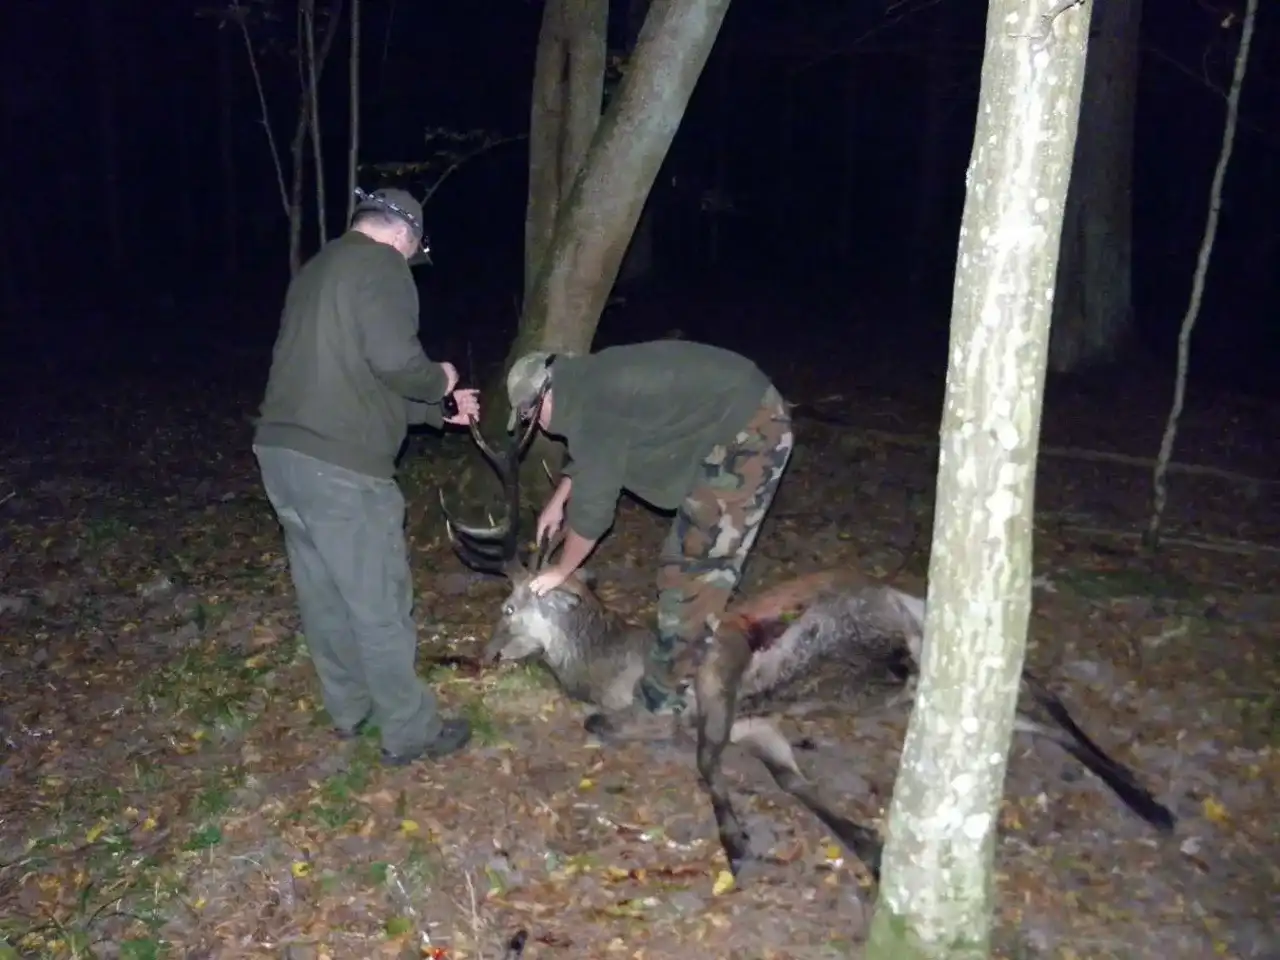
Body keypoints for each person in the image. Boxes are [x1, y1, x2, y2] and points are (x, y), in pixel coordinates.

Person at [253, 187, 479, 766]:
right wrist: (441, 380)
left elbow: (359, 381)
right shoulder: (381, 264)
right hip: (342, 469)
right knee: (379, 600)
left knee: (325, 594)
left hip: (284, 454)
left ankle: (350, 709)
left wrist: (439, 414)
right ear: (403, 237)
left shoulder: (317, 272)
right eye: (412, 252)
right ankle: (410, 732)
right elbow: (396, 362)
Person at [503, 341, 793, 711]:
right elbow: (596, 455)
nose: (535, 427)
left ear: (542, 397)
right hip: (729, 422)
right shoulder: (589, 386)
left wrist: (563, 569)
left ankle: (667, 705)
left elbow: (593, 512)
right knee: (685, 567)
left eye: (530, 417)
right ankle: (692, 670)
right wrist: (559, 501)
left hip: (750, 430)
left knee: (692, 575)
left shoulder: (593, 409)